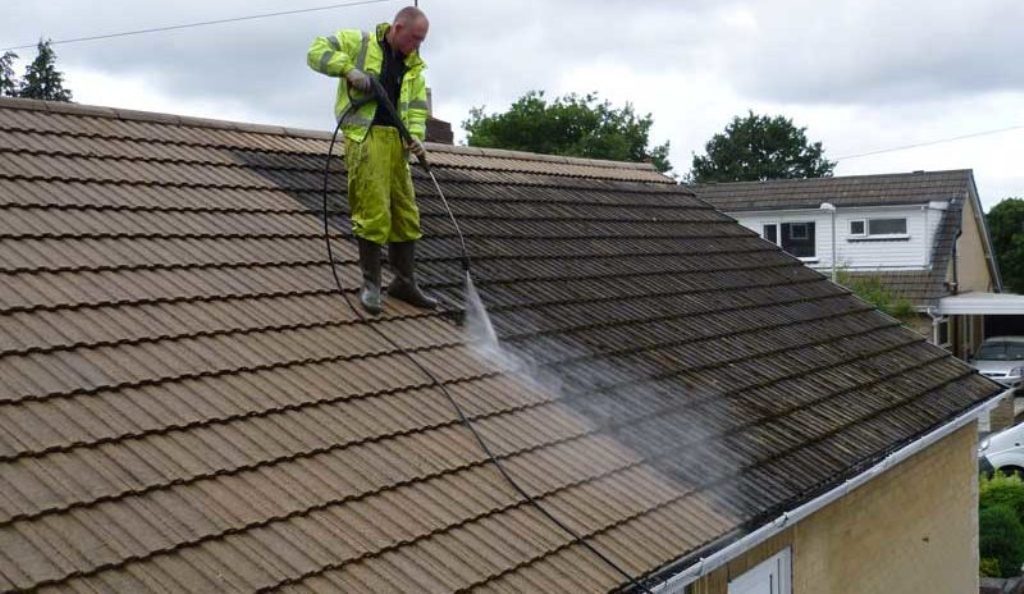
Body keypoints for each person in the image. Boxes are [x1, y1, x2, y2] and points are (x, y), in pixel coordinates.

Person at [307, 6, 436, 315]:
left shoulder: (415, 66)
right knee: (373, 210)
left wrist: (415, 136)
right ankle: (371, 286)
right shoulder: (359, 43)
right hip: (366, 137)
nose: (417, 45)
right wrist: (348, 70)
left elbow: (416, 109)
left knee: (406, 214)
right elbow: (315, 51)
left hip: (397, 144)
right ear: (398, 27)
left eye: (422, 41)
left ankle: (404, 282)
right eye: (415, 38)